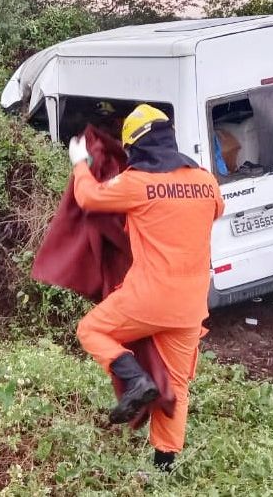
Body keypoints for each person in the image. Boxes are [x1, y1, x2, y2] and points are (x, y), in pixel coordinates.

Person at [69, 104, 224, 471]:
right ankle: (164, 465)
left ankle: (134, 379)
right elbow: (216, 210)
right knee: (178, 385)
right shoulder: (205, 181)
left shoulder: (138, 183)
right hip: (190, 305)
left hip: (149, 297)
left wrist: (80, 164)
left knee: (91, 329)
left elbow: (88, 198)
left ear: (137, 147)